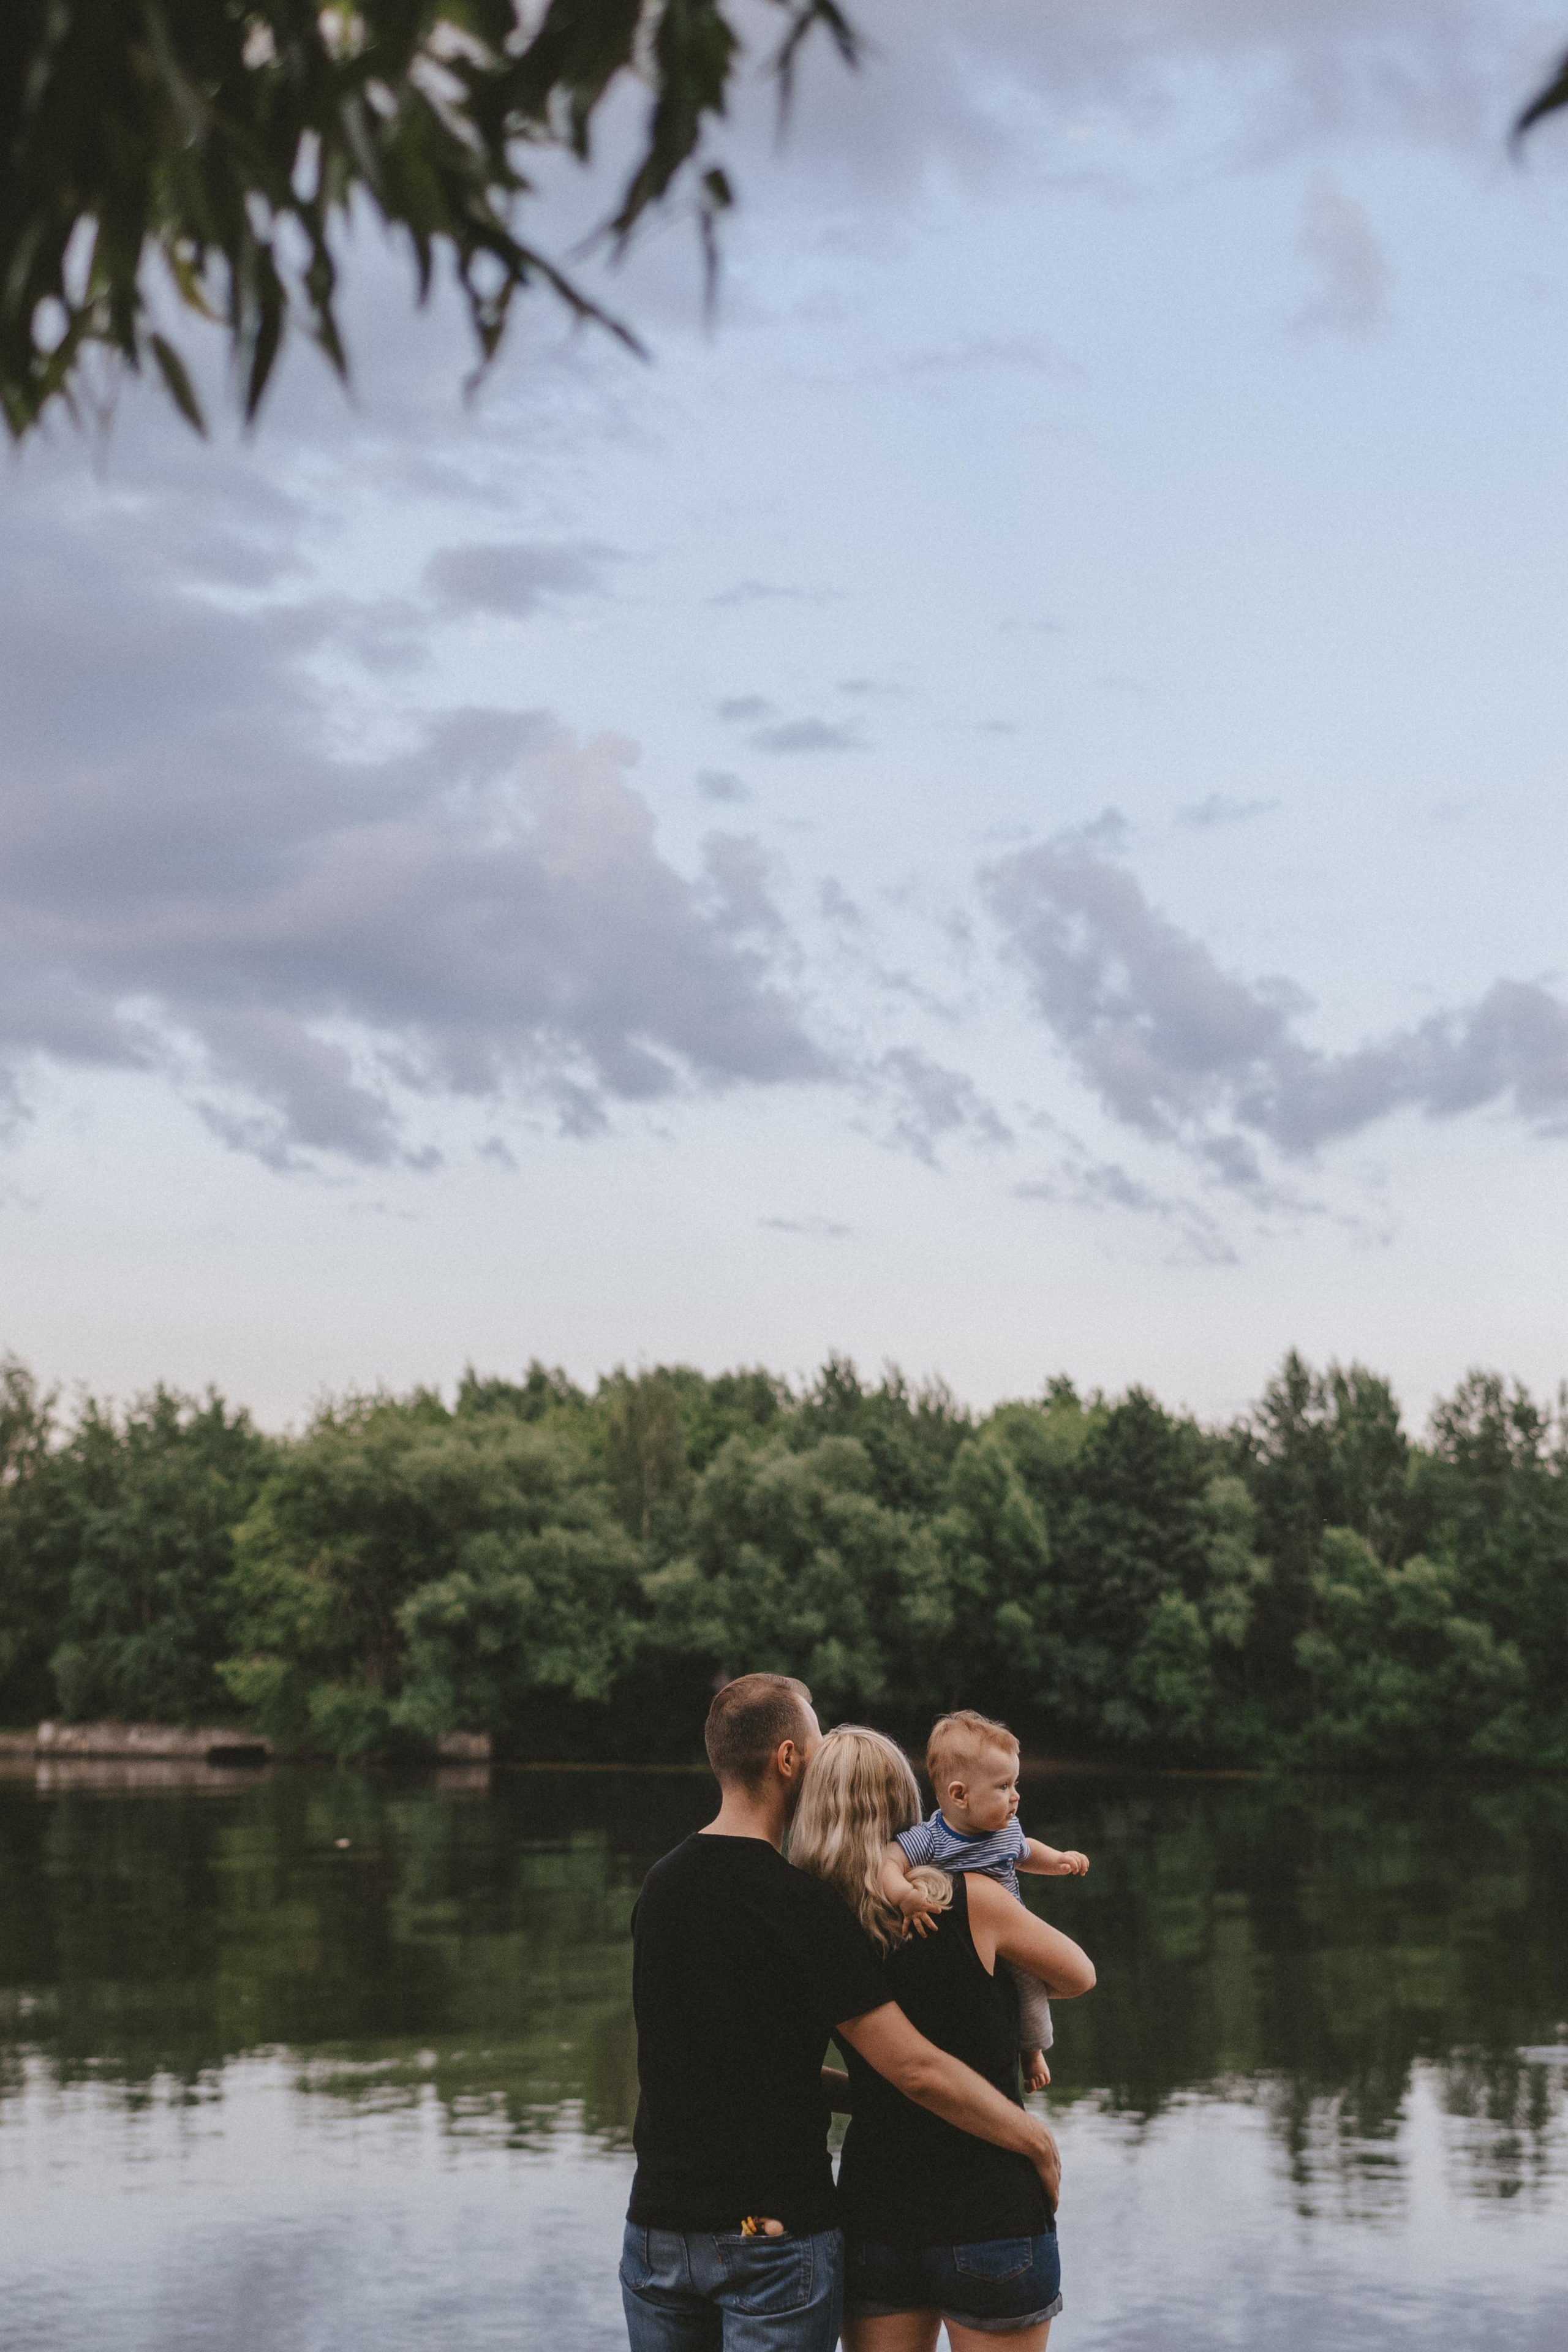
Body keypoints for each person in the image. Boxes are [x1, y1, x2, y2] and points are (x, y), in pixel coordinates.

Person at [621, 1674, 1063, 2352]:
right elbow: (913, 2067)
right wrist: (1032, 2140)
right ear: (790, 1759)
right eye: (820, 1744)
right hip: (769, 2233)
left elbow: (714, 2063)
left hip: (654, 2232)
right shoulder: (799, 1904)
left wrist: (865, 2096)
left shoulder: (661, 1886)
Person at [791, 1724, 1096, 2352]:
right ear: (911, 1804)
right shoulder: (973, 1898)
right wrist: (1004, 1995)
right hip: (992, 2211)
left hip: (877, 2215)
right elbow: (1077, 1976)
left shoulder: (812, 1927)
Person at [878, 1709, 1089, 2090]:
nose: (1016, 1796)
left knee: (1029, 1989)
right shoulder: (932, 1838)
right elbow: (888, 1861)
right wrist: (904, 1896)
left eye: (1015, 1783)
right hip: (965, 1947)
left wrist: (1057, 1861)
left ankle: (1031, 2050)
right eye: (1004, 1786)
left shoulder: (1007, 1831)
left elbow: (1026, 1853)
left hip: (1011, 1936)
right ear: (960, 1795)